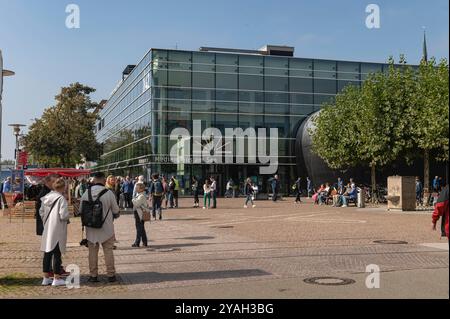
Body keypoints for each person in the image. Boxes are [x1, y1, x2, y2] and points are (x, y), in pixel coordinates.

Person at [79, 172, 120, 283]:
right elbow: (116, 211)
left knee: (92, 253)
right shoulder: (109, 193)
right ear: (103, 180)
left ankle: (93, 275)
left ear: (94, 180)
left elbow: (80, 211)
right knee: (108, 252)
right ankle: (111, 275)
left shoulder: (86, 193)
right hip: (106, 228)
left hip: (91, 228)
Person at [39, 178, 70, 287]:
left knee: (47, 253)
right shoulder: (61, 199)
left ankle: (45, 278)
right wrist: (68, 215)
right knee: (57, 253)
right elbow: (64, 215)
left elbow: (41, 212)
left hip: (47, 227)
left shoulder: (46, 197)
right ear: (63, 187)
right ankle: (56, 278)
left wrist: (45, 222)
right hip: (58, 228)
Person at [132, 182, 149, 247]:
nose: (136, 189)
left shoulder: (141, 196)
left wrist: (133, 199)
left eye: (137, 188)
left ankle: (137, 242)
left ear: (141, 189)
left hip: (140, 213)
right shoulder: (140, 194)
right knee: (141, 228)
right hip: (139, 213)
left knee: (139, 228)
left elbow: (137, 204)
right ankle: (144, 242)